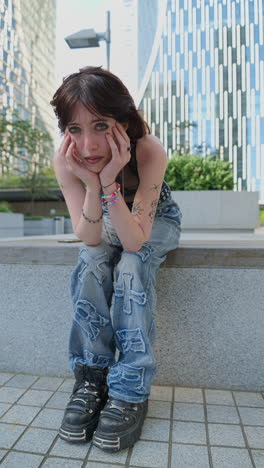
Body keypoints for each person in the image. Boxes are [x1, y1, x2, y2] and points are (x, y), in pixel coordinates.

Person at [51, 66, 182, 452]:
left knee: (131, 264)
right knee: (91, 261)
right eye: (75, 129)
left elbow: (135, 241)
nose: (88, 144)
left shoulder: (149, 150)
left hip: (153, 223)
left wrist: (110, 180)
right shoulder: (68, 160)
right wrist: (93, 182)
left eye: (101, 126)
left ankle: (130, 387)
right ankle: (92, 377)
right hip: (107, 220)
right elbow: (90, 236)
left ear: (123, 122)